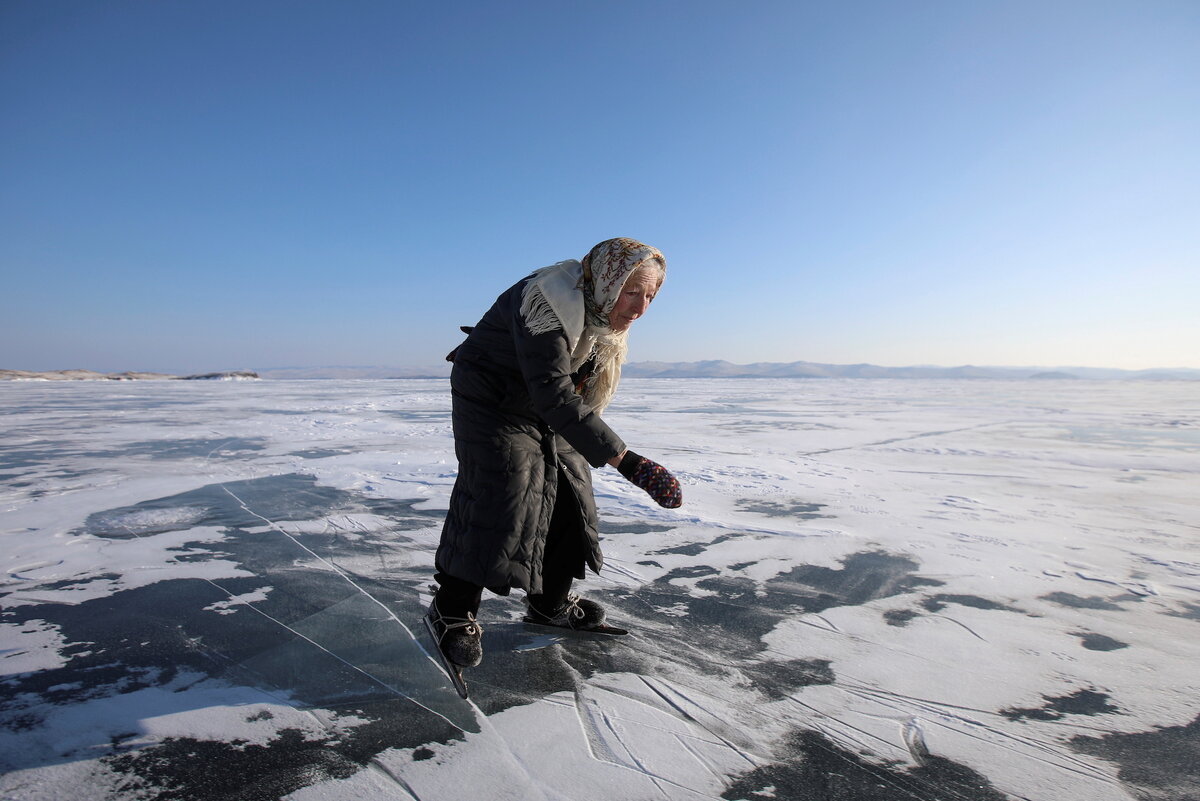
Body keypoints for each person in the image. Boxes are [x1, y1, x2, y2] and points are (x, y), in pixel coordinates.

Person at [429, 237, 683, 669]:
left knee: (570, 488)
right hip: (491, 397)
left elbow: (569, 394)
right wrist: (630, 462)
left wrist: (590, 438)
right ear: (608, 280)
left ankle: (550, 603)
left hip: (545, 402)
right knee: (504, 486)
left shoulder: (602, 317)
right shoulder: (547, 301)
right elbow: (554, 394)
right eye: (631, 291)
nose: (639, 308)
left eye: (650, 296)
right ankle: (451, 610)